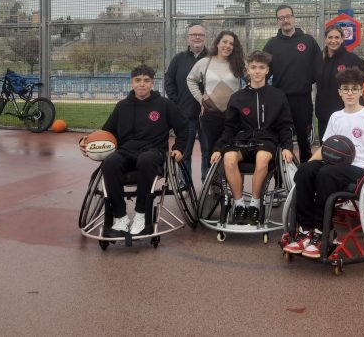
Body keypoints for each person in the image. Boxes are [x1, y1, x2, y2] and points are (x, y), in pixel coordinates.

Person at [283, 67, 364, 259]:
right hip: (334, 165)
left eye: (354, 88)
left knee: (327, 173)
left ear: (361, 91)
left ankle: (323, 233)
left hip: (360, 170)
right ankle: (305, 230)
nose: (350, 93)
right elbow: (325, 150)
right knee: (305, 170)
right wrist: (307, 166)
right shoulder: (336, 117)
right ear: (339, 92)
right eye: (345, 89)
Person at [79, 65, 187, 237]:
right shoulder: (122, 106)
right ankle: (120, 217)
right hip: (126, 151)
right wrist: (86, 142)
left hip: (154, 151)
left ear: (152, 83)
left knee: (146, 159)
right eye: (138, 81)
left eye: (146, 81)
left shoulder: (164, 105)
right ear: (131, 83)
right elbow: (106, 133)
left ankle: (141, 215)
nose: (142, 84)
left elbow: (184, 128)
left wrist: (179, 148)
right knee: (110, 162)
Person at [210, 51, 295, 225]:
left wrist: (287, 146)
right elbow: (229, 128)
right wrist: (219, 148)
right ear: (247, 70)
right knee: (229, 157)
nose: (257, 71)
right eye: (253, 67)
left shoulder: (278, 96)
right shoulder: (237, 97)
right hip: (242, 140)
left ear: (267, 70)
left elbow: (285, 125)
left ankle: (255, 204)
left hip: (266, 141)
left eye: (261, 68)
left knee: (262, 157)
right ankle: (240, 204)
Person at [264, 5, 321, 162]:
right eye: (281, 18)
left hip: (302, 100)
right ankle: (280, 181)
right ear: (277, 21)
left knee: (304, 142)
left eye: (288, 16)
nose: (285, 20)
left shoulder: (308, 41)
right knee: (281, 141)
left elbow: (319, 70)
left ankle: (305, 177)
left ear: (294, 18)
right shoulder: (271, 44)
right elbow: (262, 70)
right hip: (279, 100)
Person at [187, 31, 245, 167]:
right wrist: (201, 99)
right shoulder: (205, 62)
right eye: (224, 42)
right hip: (210, 116)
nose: (227, 46)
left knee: (230, 151)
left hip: (233, 116)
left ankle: (231, 186)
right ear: (217, 43)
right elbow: (190, 79)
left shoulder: (239, 63)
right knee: (211, 151)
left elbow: (252, 79)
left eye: (231, 43)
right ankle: (214, 186)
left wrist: (243, 99)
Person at [165, 23, 209, 181]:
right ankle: (184, 184)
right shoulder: (178, 59)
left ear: (205, 38)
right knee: (184, 151)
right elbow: (169, 81)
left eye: (201, 34)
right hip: (185, 114)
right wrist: (176, 103)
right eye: (193, 34)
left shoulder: (213, 58)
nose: (197, 37)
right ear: (188, 38)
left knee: (209, 151)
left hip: (209, 115)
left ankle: (209, 184)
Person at [314, 24, 364, 140]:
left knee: (345, 149)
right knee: (326, 149)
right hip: (323, 115)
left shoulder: (351, 59)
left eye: (337, 37)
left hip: (345, 114)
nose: (333, 41)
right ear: (325, 39)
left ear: (342, 39)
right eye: (330, 37)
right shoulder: (318, 59)